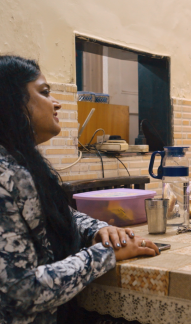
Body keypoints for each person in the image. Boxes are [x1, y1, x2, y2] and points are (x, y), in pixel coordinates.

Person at [0, 55, 160, 324]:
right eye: (44, 93)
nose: (57, 102)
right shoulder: (4, 176)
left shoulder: (21, 162)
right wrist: (105, 254)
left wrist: (97, 229)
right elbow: (19, 294)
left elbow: (53, 212)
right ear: (12, 104)